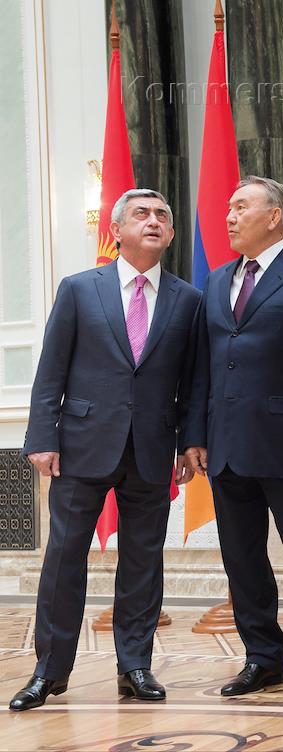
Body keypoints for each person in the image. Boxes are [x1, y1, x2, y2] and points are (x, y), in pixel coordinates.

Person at [11, 189, 201, 711]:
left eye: (162, 215)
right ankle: (49, 671)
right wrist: (42, 437)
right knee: (63, 558)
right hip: (81, 446)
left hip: (153, 448)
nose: (154, 221)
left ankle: (135, 667)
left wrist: (189, 443)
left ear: (171, 233)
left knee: (143, 561)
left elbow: (193, 382)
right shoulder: (79, 289)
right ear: (116, 230)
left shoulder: (188, 299)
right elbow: (51, 369)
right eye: (141, 214)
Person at [182, 176, 283, 697]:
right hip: (226, 445)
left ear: (275, 216)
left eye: (241, 207)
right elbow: (204, 364)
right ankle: (262, 657)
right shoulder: (215, 280)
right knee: (243, 558)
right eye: (229, 207)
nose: (229, 216)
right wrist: (195, 434)